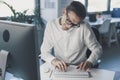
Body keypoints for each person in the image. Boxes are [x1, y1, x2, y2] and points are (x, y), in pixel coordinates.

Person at [40, 1, 103, 72]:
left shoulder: (84, 27)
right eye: (69, 21)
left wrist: (89, 62)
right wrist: (54, 60)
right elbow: (44, 51)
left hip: (79, 68)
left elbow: (97, 49)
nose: (69, 26)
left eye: (75, 24)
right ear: (64, 12)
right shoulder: (51, 25)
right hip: (59, 67)